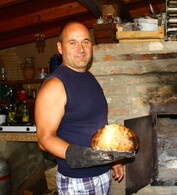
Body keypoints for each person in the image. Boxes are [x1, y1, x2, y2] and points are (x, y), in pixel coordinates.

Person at [35, 22, 134, 194]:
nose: (81, 49)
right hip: (77, 181)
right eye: (72, 42)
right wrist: (81, 156)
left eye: (86, 42)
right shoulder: (55, 85)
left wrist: (113, 160)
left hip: (101, 174)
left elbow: (98, 126)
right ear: (60, 47)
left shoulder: (89, 78)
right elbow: (44, 139)